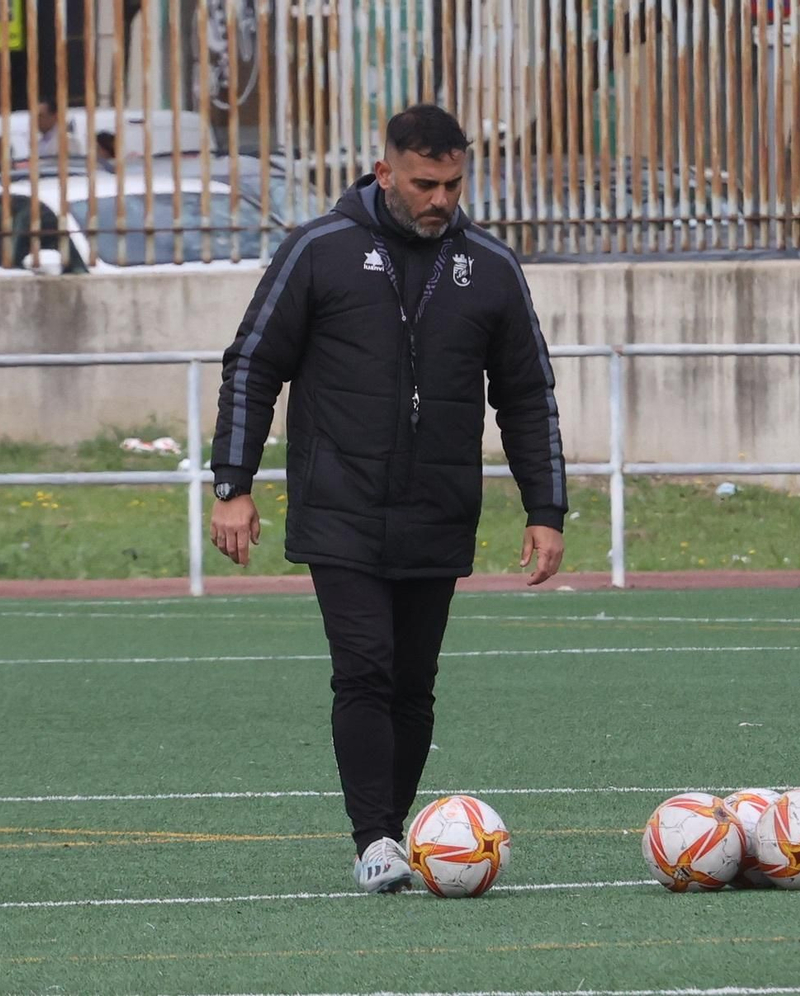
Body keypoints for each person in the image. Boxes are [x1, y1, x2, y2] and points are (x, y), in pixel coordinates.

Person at [209, 104, 567, 894]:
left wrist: (547, 510)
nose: (440, 198)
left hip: (437, 509)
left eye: (453, 183)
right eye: (423, 183)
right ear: (385, 174)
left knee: (413, 683)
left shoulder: (492, 266)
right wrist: (233, 484)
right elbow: (252, 366)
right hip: (339, 506)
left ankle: (393, 832)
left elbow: (527, 395)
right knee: (364, 670)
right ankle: (371, 837)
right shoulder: (318, 250)